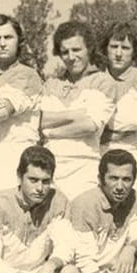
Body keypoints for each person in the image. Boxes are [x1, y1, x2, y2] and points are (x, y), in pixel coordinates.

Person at [40, 21, 117, 200]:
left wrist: (50, 131)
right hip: (50, 168)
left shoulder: (103, 82)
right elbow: (39, 121)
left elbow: (90, 125)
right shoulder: (51, 84)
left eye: (76, 50)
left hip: (85, 168)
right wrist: (76, 114)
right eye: (65, 52)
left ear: (89, 49)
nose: (71, 57)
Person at [0, 14, 43, 201]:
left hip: (14, 156)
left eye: (8, 37)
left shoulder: (27, 75)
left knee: (9, 213)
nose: (2, 43)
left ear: (19, 41)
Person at [99, 22, 137, 199]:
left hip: (130, 153)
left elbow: (134, 121)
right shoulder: (95, 78)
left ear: (133, 51)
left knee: (134, 207)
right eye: (114, 46)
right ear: (106, 49)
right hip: (96, 153)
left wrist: (98, 128)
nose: (118, 53)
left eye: (125, 48)